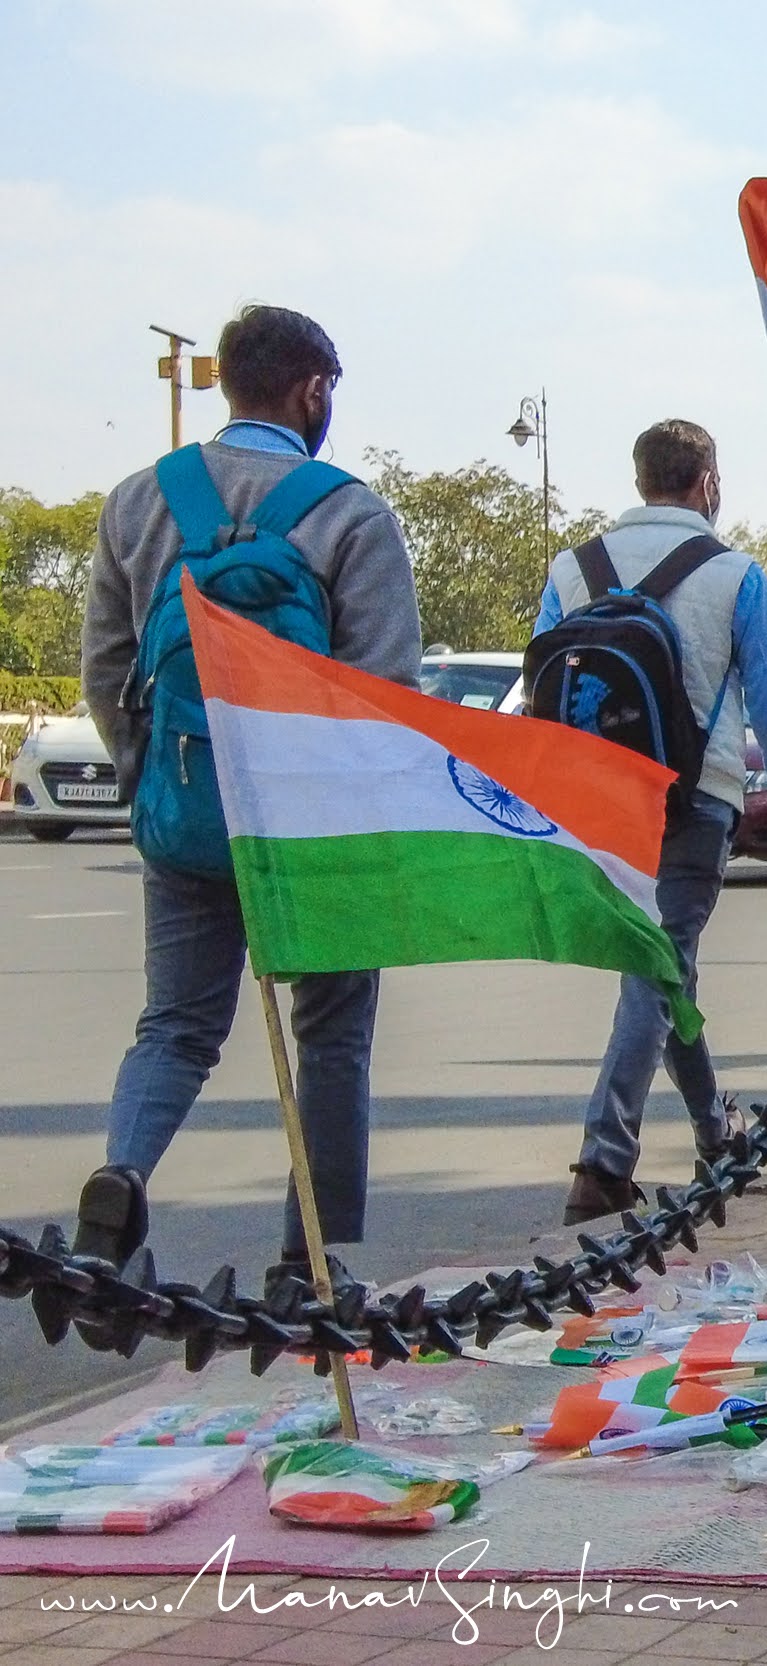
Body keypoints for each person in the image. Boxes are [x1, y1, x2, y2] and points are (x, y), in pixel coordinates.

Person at [75, 305, 421, 1283]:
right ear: (312, 390)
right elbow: (383, 689)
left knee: (175, 1026)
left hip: (184, 811)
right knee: (333, 1038)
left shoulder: (139, 501)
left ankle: (121, 1179)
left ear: (227, 382)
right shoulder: (349, 511)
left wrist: (153, 781)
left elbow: (107, 670)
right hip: (314, 827)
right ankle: (311, 1258)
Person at [535, 420, 767, 1224]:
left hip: (597, 796)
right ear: (709, 482)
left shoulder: (573, 568)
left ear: (638, 480)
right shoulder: (735, 575)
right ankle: (605, 1158)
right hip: (696, 794)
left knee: (665, 967)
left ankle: (712, 1131)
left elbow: (546, 677)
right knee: (659, 962)